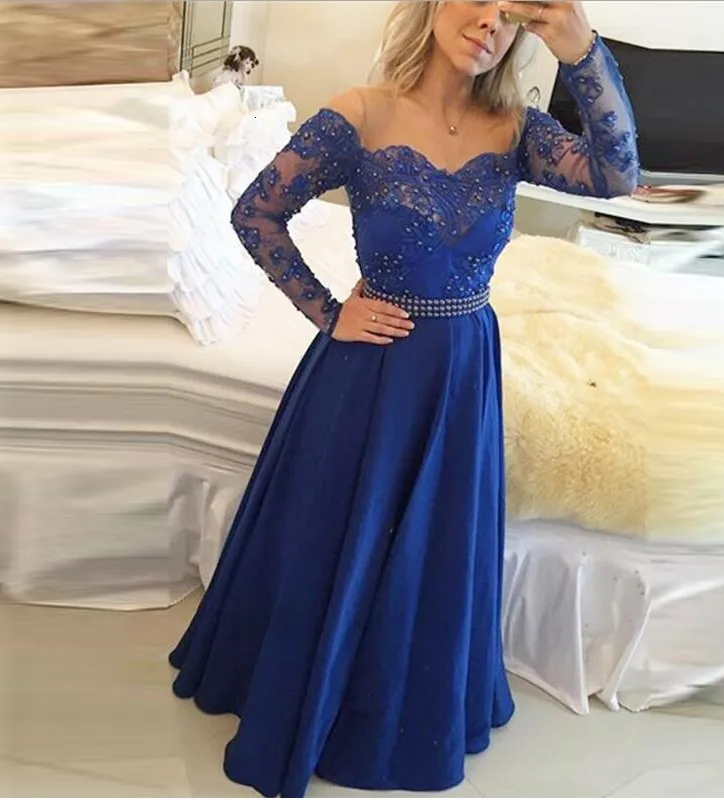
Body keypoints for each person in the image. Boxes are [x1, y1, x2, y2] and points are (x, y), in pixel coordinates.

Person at [169, 1, 639, 796]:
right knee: (342, 534)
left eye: (508, 14)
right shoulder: (361, 114)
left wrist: (579, 47)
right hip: (369, 369)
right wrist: (328, 312)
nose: (488, 22)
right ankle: (313, 690)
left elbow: (617, 176)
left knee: (436, 539)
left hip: (462, 368)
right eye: (474, 0)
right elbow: (255, 213)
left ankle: (405, 699)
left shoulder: (518, 130)